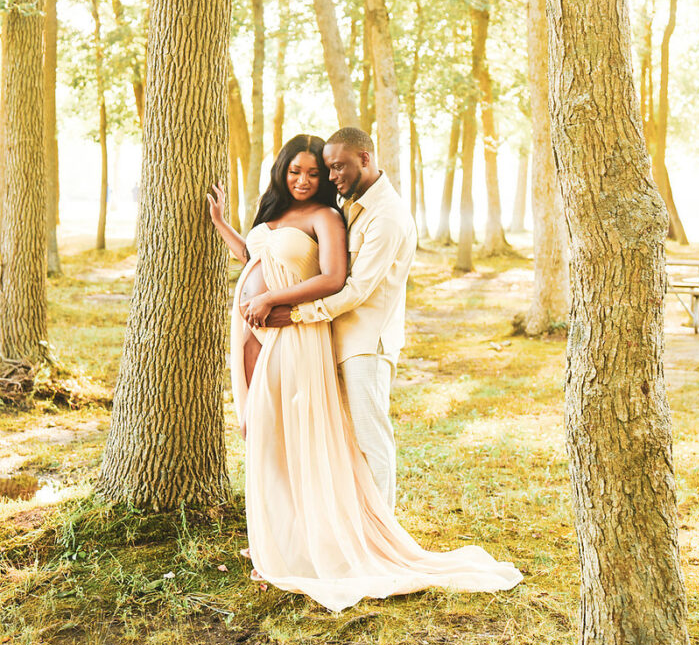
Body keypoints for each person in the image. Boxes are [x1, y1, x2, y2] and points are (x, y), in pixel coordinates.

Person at [208, 132, 522, 613]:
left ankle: (370, 540)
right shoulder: (349, 206)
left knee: (361, 442)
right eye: (306, 170)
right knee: (278, 437)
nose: (319, 178)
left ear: (364, 159)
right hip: (286, 338)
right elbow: (262, 258)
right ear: (282, 169)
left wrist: (280, 306)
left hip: (355, 341)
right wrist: (223, 225)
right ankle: (290, 537)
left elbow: (346, 286)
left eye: (326, 170)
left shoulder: (374, 215)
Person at [243, 126, 415, 511]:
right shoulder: (354, 204)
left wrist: (297, 314)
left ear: (365, 159)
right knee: (346, 440)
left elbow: (355, 288)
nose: (332, 177)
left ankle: (381, 530)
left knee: (371, 440)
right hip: (337, 338)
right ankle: (354, 523)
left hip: (367, 344)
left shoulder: (386, 216)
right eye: (329, 169)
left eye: (336, 168)